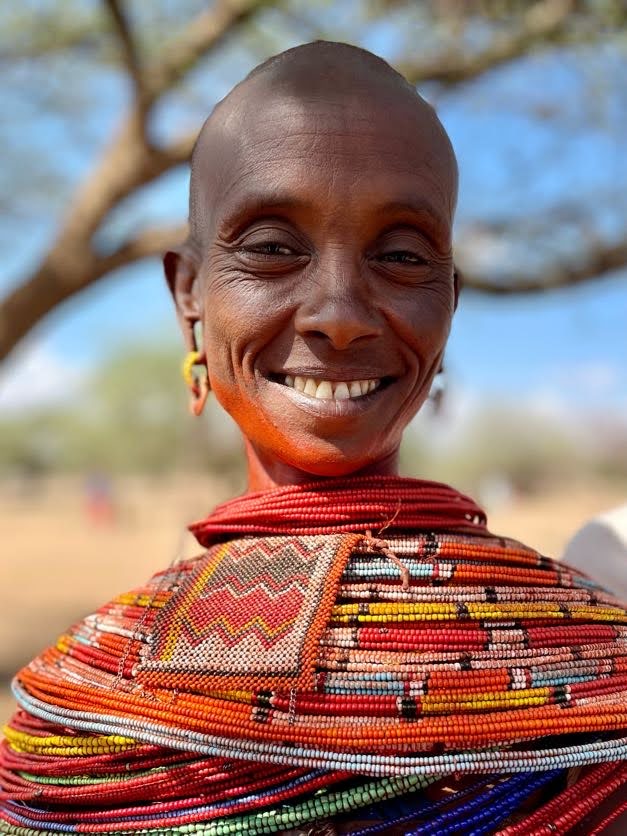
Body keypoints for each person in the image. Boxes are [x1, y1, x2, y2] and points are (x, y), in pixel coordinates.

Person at [1, 41, 626, 835]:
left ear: (448, 302)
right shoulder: (75, 722)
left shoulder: (596, 680)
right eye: (271, 248)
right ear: (189, 294)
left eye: (400, 255)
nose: (338, 313)